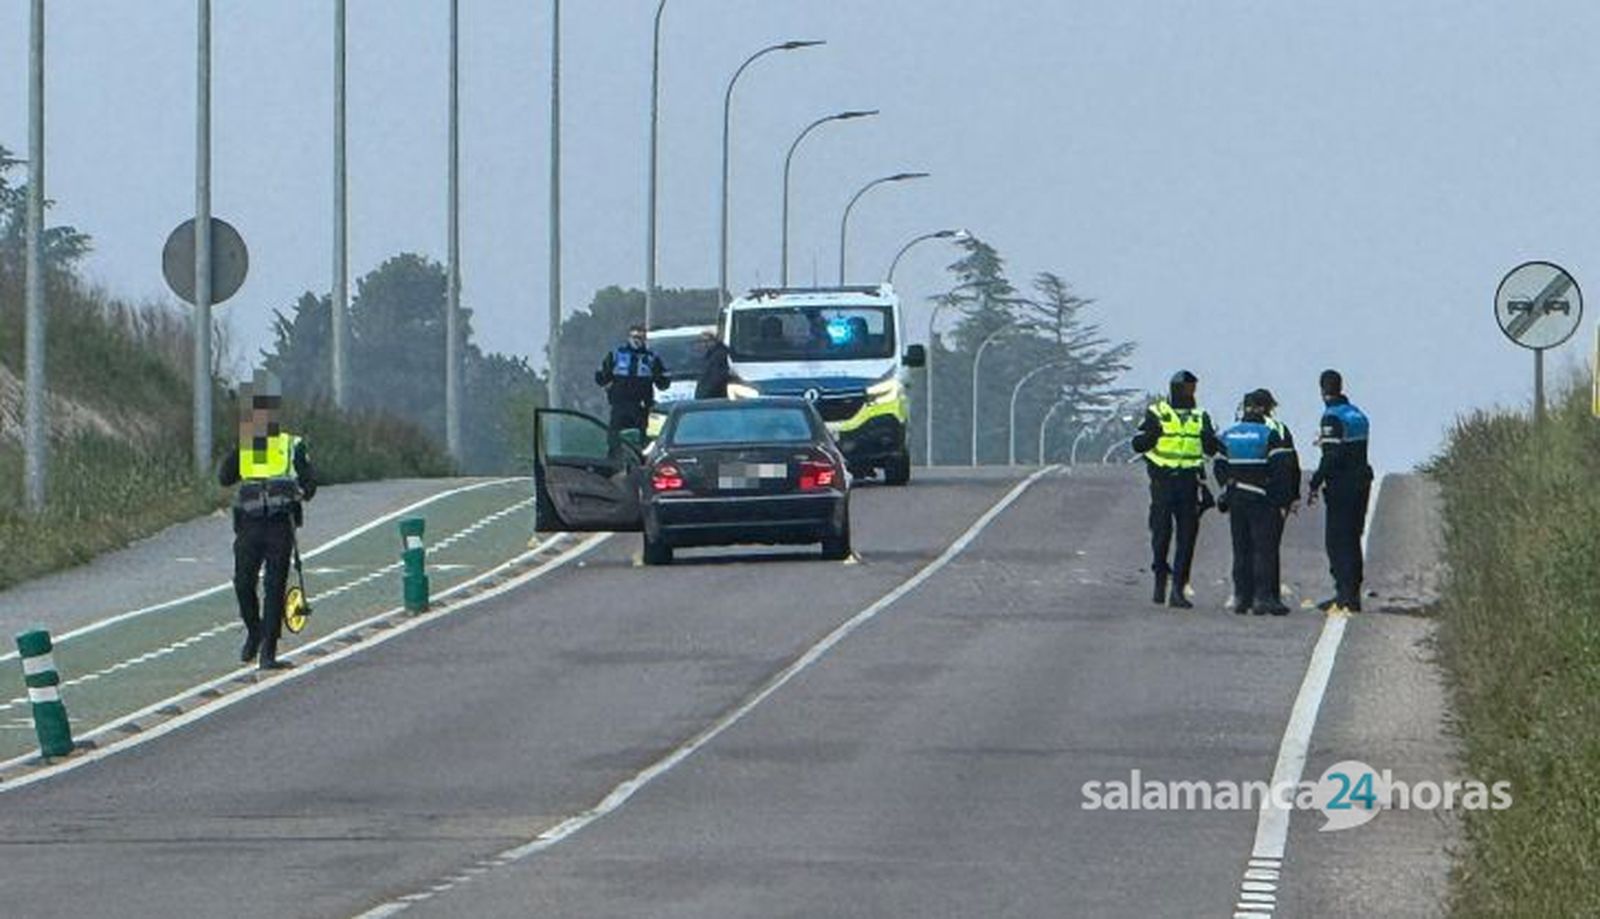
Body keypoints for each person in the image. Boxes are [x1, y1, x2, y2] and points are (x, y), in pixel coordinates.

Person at [217, 371, 316, 670]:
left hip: (278, 525)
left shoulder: (291, 445)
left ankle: (268, 652)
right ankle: (254, 630)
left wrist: (297, 492)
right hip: (248, 525)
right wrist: (239, 448)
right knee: (243, 583)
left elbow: (310, 486)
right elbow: (224, 478)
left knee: (275, 587)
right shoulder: (246, 445)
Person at [1131, 370, 1221, 609]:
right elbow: (1137, 444)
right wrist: (1152, 435)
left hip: (1189, 482)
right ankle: (1160, 574)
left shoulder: (1200, 417)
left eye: (1193, 388)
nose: (1190, 393)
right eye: (1187, 388)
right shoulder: (1157, 413)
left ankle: (1178, 589)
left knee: (1187, 537)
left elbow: (1212, 450)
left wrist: (1209, 440)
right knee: (1161, 535)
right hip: (1162, 482)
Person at [1216, 390, 1299, 615]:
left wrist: (1227, 487)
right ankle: (1264, 598)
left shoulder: (1229, 434)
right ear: (1265, 408)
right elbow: (1282, 468)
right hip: (1263, 499)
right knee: (1265, 549)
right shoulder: (1269, 434)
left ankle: (1242, 598)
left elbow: (1219, 466)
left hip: (1236, 498)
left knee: (1241, 548)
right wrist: (1285, 499)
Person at [1308, 369, 1373, 612]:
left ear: (1322, 389)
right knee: (1352, 538)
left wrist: (1315, 482)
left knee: (1336, 541)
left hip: (1342, 486)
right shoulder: (1357, 415)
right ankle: (1352, 593)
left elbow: (1332, 456)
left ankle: (1343, 594)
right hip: (1361, 482)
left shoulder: (1332, 417)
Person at [594, 323, 669, 442]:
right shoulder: (616, 354)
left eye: (640, 338)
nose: (637, 341)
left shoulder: (651, 358)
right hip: (620, 404)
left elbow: (663, 383)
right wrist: (608, 386)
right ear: (629, 338)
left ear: (644, 339)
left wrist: (659, 379)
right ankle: (614, 457)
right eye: (634, 337)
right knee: (615, 437)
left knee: (642, 437)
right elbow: (601, 376)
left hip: (641, 406)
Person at [694, 329, 731, 400]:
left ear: (714, 341)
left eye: (707, 341)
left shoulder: (719, 355)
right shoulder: (709, 356)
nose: (704, 344)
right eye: (702, 342)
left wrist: (705, 394)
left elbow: (715, 377)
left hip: (715, 398)